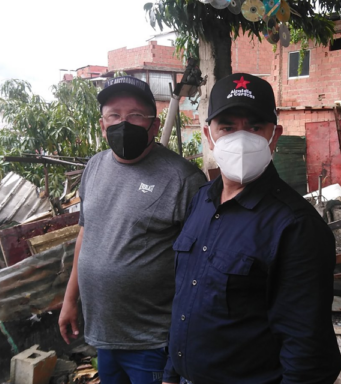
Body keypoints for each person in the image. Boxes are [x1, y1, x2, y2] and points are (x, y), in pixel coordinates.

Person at [163, 73, 341, 384]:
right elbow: (186, 297)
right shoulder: (202, 200)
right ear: (208, 135)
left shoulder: (296, 227)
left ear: (275, 136)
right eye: (228, 127)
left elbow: (307, 351)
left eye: (255, 127)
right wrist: (170, 373)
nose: (241, 140)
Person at [58, 76, 207, 384]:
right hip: (103, 334)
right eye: (114, 115)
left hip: (154, 341)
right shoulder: (94, 168)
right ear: (102, 124)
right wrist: (70, 301)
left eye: (135, 115)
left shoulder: (183, 179)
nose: (123, 123)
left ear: (153, 125)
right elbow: (86, 234)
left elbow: (201, 266)